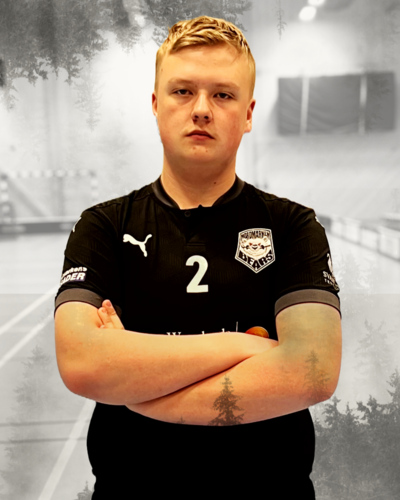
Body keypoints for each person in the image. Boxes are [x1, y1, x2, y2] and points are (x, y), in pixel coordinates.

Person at [54, 16, 341, 498]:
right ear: (156, 104)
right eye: (183, 91)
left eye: (223, 95)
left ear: (248, 113)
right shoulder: (104, 226)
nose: (202, 109)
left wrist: (140, 390)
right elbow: (82, 362)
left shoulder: (293, 226)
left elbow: (312, 372)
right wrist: (242, 346)